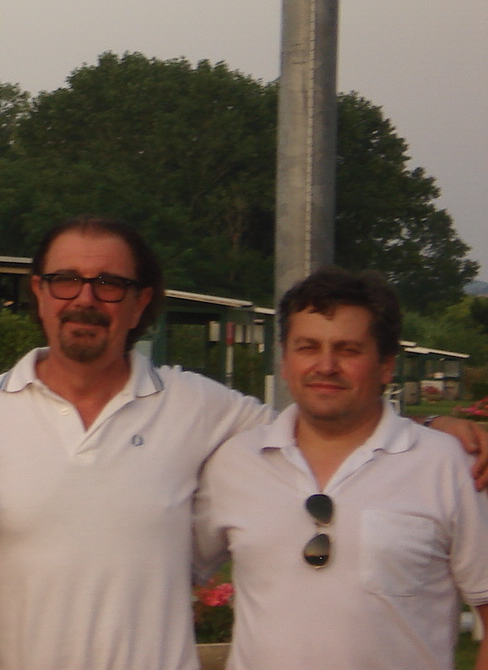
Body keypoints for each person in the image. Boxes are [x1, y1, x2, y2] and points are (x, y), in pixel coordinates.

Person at [0, 217, 488, 670]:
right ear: (37, 291)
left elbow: (326, 414)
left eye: (109, 283)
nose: (85, 299)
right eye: (65, 280)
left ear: (140, 303)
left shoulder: (202, 408)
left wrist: (434, 426)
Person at [195, 268, 488, 670]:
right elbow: (169, 575)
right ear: (284, 360)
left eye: (348, 350)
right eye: (307, 347)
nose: (326, 365)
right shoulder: (235, 463)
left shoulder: (447, 465)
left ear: (386, 366)